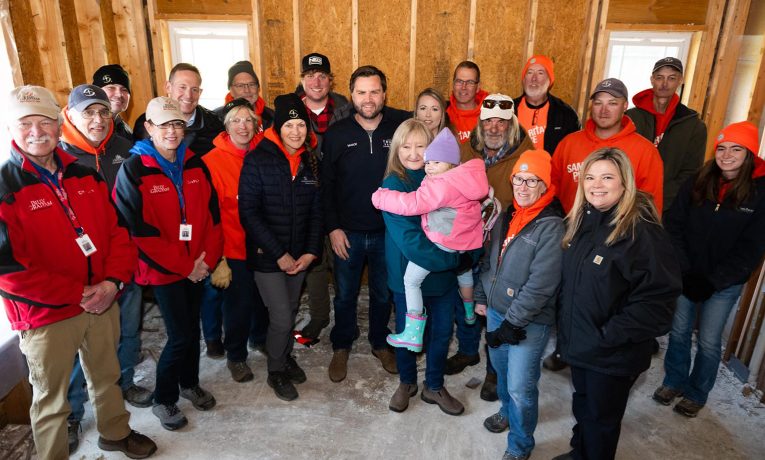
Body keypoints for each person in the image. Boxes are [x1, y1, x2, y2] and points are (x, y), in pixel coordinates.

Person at [0, 85, 156, 459]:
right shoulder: (5, 187)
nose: (37, 131)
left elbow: (118, 233)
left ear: (60, 124)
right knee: (52, 401)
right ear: (11, 129)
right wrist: (79, 293)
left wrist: (112, 283)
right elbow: (9, 271)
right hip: (46, 316)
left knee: (107, 377)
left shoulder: (85, 175)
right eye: (26, 123)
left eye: (45, 122)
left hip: (102, 300)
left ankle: (115, 432)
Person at [553, 147, 681, 460]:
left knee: (601, 422)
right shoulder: (583, 224)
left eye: (607, 177)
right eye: (591, 177)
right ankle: (578, 452)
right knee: (583, 406)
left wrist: (607, 335)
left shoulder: (642, 233)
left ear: (625, 183)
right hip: (582, 345)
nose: (597, 184)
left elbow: (658, 303)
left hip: (612, 354)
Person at [114, 96, 223, 431]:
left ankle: (189, 383)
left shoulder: (195, 164)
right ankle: (164, 398)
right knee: (180, 334)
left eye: (177, 124)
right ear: (149, 128)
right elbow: (138, 231)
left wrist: (206, 260)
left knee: (193, 331)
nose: (172, 131)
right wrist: (184, 266)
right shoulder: (133, 169)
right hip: (163, 271)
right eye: (164, 125)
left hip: (198, 265)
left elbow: (212, 215)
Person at [545, 78, 666, 372]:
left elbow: (652, 204)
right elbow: (554, 186)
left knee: (607, 298)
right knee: (569, 293)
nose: (604, 109)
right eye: (598, 101)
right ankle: (566, 348)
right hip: (574, 232)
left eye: (613, 102)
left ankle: (601, 348)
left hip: (617, 238)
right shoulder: (570, 143)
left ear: (625, 106)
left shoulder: (643, 150)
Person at [58, 84, 152, 452]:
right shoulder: (59, 154)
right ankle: (72, 412)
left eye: (102, 112)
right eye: (88, 113)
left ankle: (123, 383)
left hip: (123, 259)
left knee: (127, 330)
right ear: (71, 115)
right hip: (78, 271)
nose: (97, 120)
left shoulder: (124, 149)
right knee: (78, 346)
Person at [653, 121, 765, 418]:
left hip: (723, 284)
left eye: (736, 148)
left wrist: (713, 281)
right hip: (687, 274)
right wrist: (685, 269)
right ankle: (674, 381)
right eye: (722, 147)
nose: (727, 155)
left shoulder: (760, 193)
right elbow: (674, 225)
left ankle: (696, 392)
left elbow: (752, 248)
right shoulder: (698, 181)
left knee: (708, 341)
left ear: (750, 153)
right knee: (678, 332)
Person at [321, 65, 410, 382]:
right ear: (352, 95)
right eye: (361, 92)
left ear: (385, 94)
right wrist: (333, 228)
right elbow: (326, 185)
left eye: (375, 91)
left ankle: (378, 341)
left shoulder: (399, 130)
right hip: (348, 233)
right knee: (345, 294)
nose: (368, 98)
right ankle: (342, 343)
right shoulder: (336, 134)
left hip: (388, 232)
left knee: (383, 294)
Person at [477, 149, 564, 460]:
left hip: (528, 321)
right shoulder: (508, 215)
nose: (523, 187)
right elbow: (489, 262)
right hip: (497, 313)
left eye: (532, 180)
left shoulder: (551, 226)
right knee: (502, 375)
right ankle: (505, 413)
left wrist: (513, 323)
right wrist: (481, 296)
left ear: (545, 185)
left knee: (520, 387)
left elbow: (542, 285)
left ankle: (520, 444)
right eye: (518, 180)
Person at [448, 93, 533, 402]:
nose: (494, 127)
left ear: (511, 124)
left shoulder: (527, 154)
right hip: (468, 239)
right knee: (466, 297)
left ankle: (495, 371)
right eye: (488, 121)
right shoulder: (464, 151)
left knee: (497, 305)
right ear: (480, 123)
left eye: (501, 122)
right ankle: (468, 350)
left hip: (504, 242)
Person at [238, 93, 323, 401]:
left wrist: (311, 251)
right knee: (283, 317)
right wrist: (280, 254)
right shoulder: (258, 158)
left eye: (302, 124)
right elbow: (249, 212)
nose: (296, 131)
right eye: (290, 125)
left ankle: (285, 354)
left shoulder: (309, 160)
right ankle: (276, 370)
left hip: (299, 256)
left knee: (289, 310)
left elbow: (317, 211)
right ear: (278, 127)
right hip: (268, 257)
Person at [372, 128, 489, 350]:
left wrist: (381, 197)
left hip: (441, 242)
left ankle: (413, 333)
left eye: (436, 161)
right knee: (465, 277)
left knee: (411, 281)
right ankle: (468, 310)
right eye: (429, 162)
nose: (430, 166)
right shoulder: (466, 179)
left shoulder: (442, 184)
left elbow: (413, 204)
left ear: (451, 164)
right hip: (463, 243)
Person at [380, 119, 466, 416]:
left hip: (441, 279)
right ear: (396, 149)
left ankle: (434, 385)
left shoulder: (444, 178)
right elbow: (410, 239)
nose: (414, 153)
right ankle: (407, 382)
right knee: (409, 334)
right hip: (410, 275)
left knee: (441, 333)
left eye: (421, 146)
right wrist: (455, 259)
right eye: (406, 146)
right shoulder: (394, 183)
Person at [202, 97, 267, 383]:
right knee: (238, 306)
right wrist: (217, 256)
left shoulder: (265, 153)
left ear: (257, 124)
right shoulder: (211, 161)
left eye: (248, 120)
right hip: (232, 247)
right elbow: (207, 214)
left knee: (262, 300)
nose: (243, 126)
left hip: (264, 244)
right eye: (236, 121)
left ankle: (260, 338)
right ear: (226, 126)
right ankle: (236, 355)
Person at [295, 52, 350, 342]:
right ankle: (318, 317)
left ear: (330, 79)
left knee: (342, 259)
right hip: (305, 199)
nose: (316, 81)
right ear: (302, 79)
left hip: (340, 197)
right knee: (313, 261)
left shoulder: (345, 107)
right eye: (309, 76)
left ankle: (345, 319)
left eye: (322, 76)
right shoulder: (291, 109)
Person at [626, 56, 707, 210]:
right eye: (659, 78)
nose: (664, 84)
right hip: (625, 200)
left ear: (680, 81)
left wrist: (657, 197)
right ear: (652, 80)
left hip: (667, 206)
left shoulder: (693, 125)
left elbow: (691, 172)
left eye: (671, 78)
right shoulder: (630, 118)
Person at [133, 62, 224, 156]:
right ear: (168, 87)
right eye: (182, 87)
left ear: (200, 92)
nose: (188, 96)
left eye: (194, 89)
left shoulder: (215, 124)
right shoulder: (147, 123)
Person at [513, 55, 580, 153]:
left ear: (550, 81)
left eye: (540, 73)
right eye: (529, 72)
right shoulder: (508, 110)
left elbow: (573, 153)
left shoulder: (566, 114)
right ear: (524, 79)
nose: (534, 78)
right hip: (515, 168)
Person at [214, 60, 275, 131]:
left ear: (258, 88)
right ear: (231, 90)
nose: (247, 90)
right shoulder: (216, 118)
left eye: (251, 84)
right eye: (240, 86)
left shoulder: (272, 116)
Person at [447, 61, 488, 143]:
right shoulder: (443, 114)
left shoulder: (489, 116)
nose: (463, 87)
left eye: (470, 82)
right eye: (459, 81)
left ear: (478, 87)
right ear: (453, 84)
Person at [92, 63, 134, 141]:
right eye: (111, 88)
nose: (119, 94)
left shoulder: (125, 129)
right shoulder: (88, 128)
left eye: (124, 89)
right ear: (96, 92)